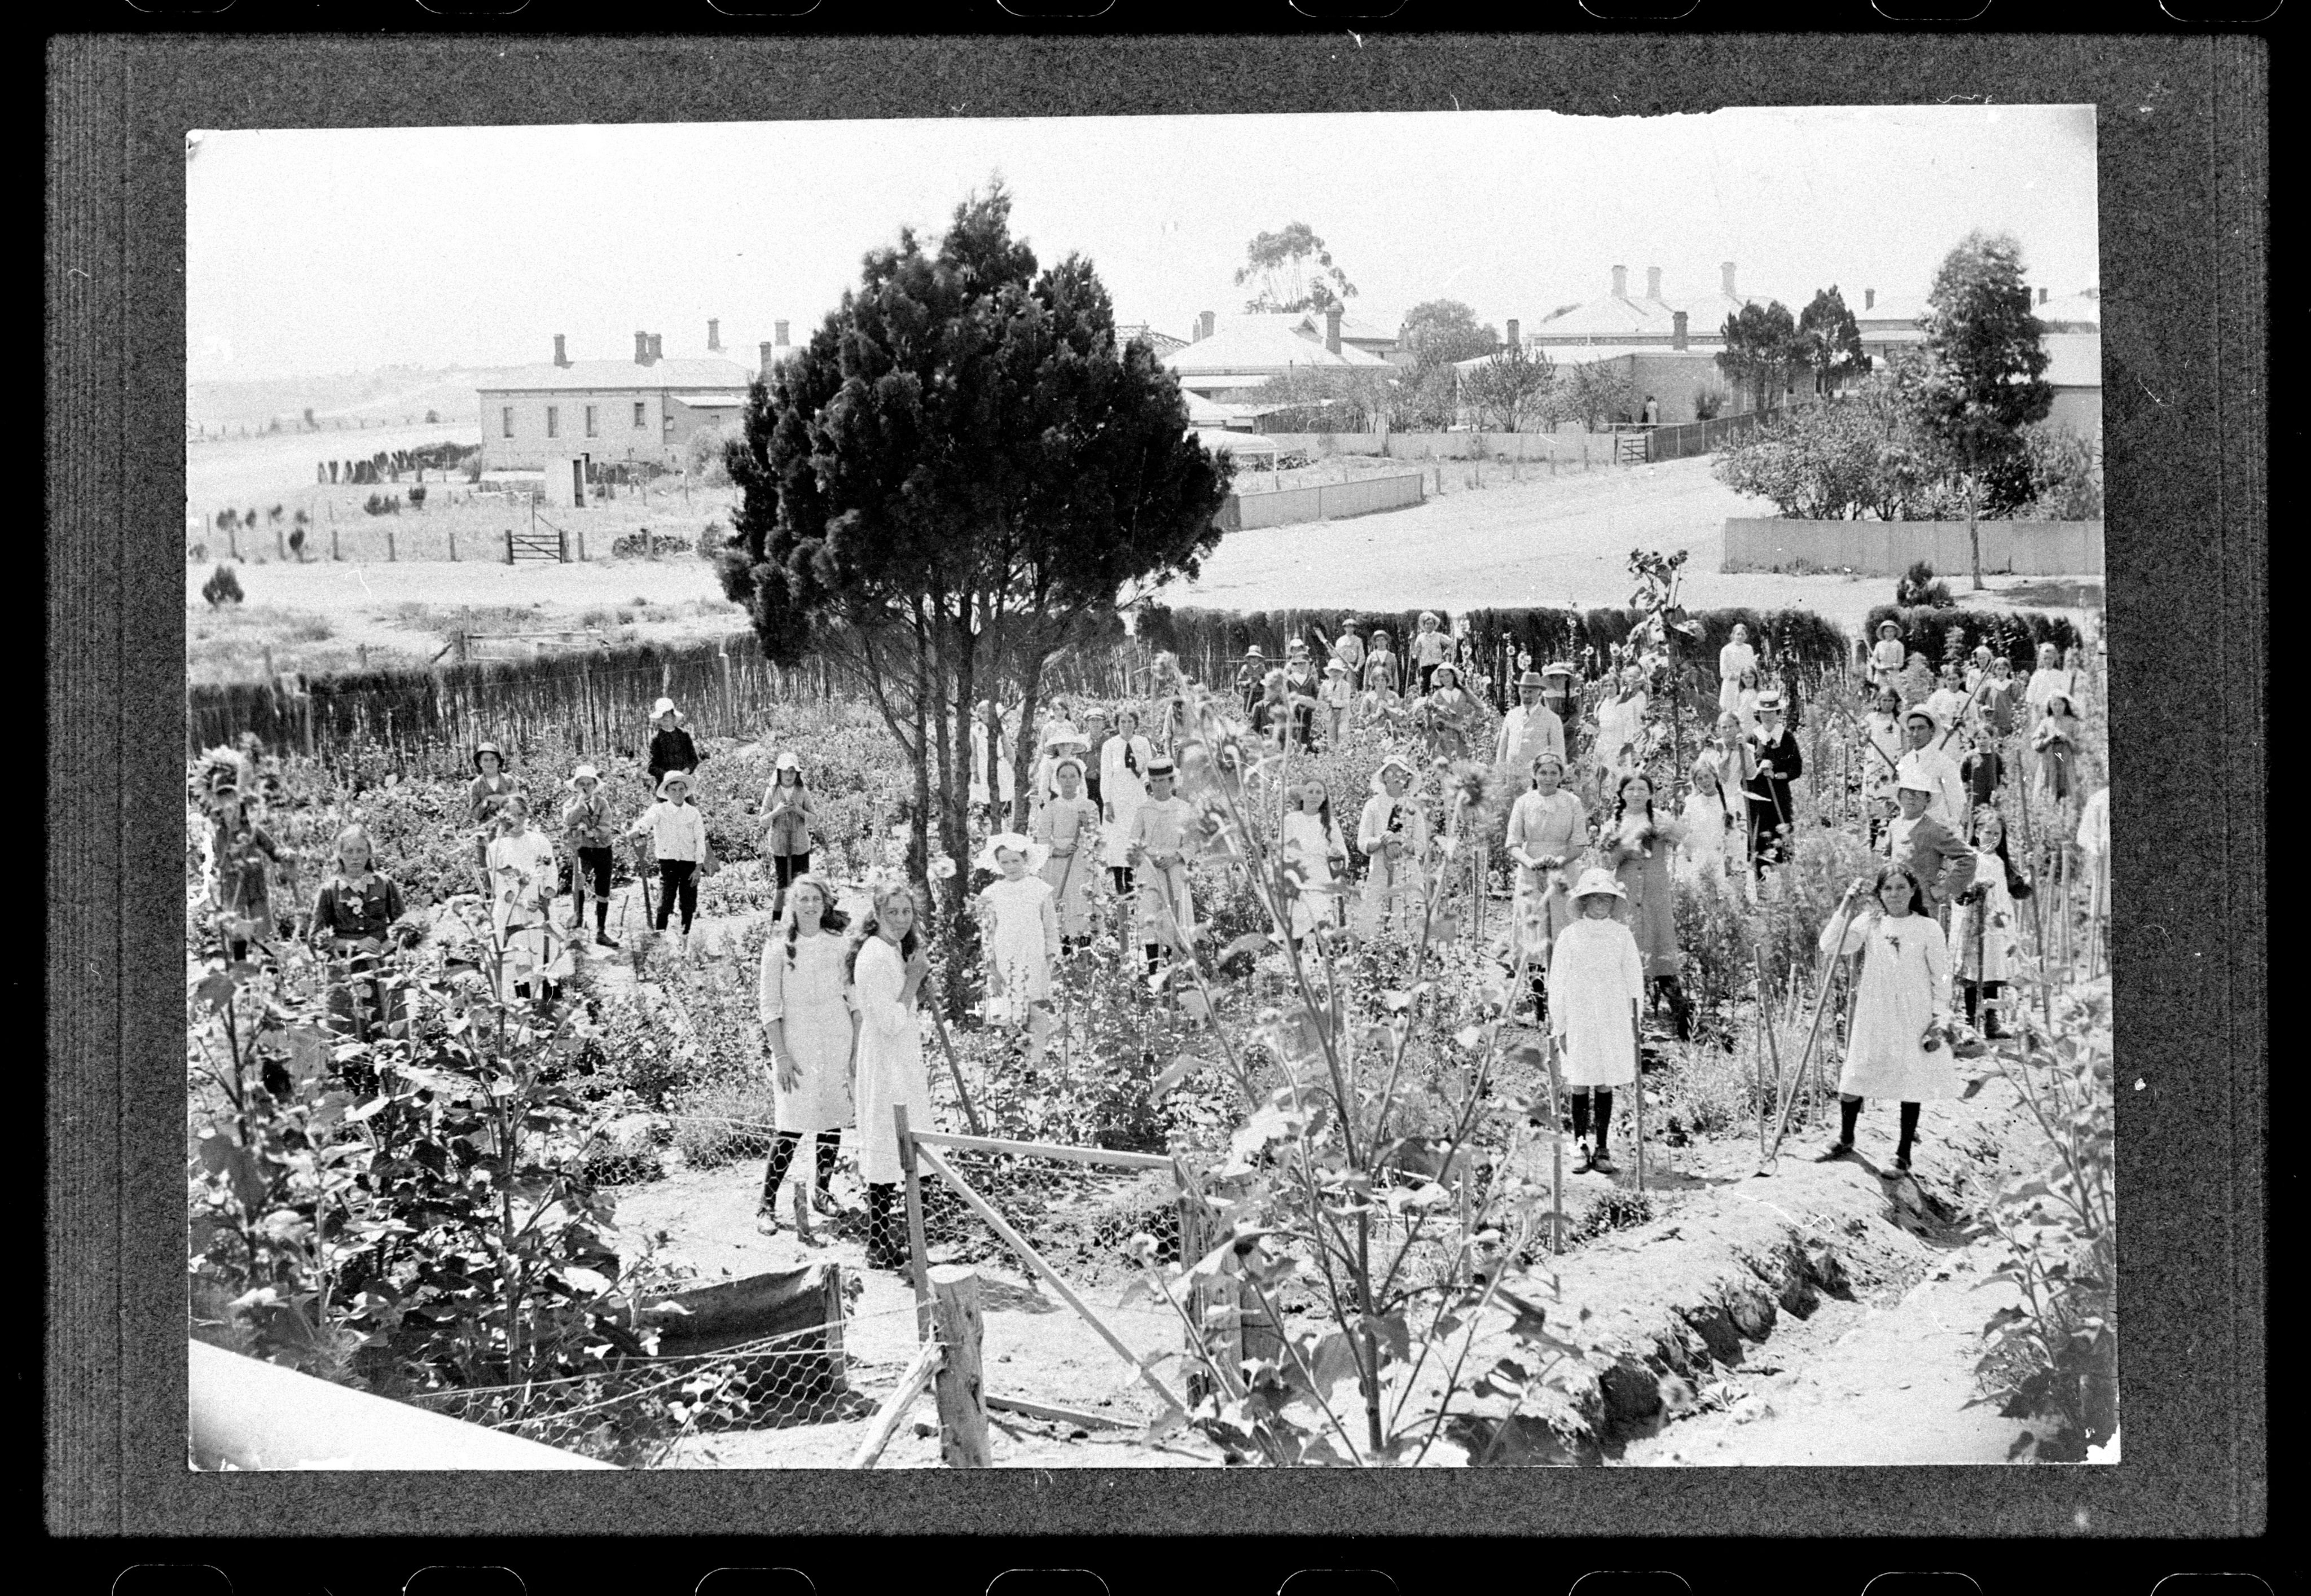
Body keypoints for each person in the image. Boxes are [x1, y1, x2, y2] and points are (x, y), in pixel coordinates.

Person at [1816, 864, 1955, 1173]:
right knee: (1856, 1072)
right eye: (1888, 888)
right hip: (1875, 1008)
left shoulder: (1928, 928)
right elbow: (1830, 946)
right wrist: (1846, 904)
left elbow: (1942, 977)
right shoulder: (1870, 922)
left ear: (1913, 890)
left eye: (1901, 887)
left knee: (1910, 1078)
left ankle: (1903, 1153)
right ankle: (1845, 1137)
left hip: (1914, 1011)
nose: (1895, 894)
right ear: (1879, 893)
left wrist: (1938, 1020)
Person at [755, 876, 857, 1233]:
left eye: (816, 899)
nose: (810, 906)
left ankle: (822, 1192)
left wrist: (855, 1049)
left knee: (831, 1116)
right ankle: (766, 1205)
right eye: (803, 899)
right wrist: (781, 1055)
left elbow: (853, 998)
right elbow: (770, 1007)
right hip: (796, 1042)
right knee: (791, 1123)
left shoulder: (839, 945)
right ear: (792, 905)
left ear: (825, 903)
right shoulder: (778, 949)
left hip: (835, 1036)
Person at [849, 874, 935, 1274]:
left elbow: (904, 1007)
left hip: (902, 1056)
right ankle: (878, 1243)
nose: (901, 919)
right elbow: (888, 1020)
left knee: (911, 1140)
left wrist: (914, 975)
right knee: (886, 1143)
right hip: (885, 1057)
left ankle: (912, 1240)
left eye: (907, 912)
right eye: (893, 912)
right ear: (877, 914)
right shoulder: (872, 955)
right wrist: (914, 980)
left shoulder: (895, 948)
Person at [1548, 869, 1646, 1176]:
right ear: (1584, 901)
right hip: (1580, 1016)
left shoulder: (1622, 935)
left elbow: (1634, 980)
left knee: (1604, 1080)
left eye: (1607, 898)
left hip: (1612, 1017)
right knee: (1580, 1080)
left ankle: (1602, 1146)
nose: (1601, 904)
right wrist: (1560, 1025)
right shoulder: (1570, 936)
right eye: (1595, 898)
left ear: (1614, 903)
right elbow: (1557, 983)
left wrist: (1635, 1022)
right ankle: (1580, 1144)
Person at [1601, 773, 1692, 1038]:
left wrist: (1670, 832)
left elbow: (1685, 840)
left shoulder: (1660, 818)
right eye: (1631, 789)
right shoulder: (1614, 823)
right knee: (1625, 950)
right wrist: (1626, 849)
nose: (1637, 794)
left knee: (1662, 948)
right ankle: (1624, 1022)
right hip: (1626, 891)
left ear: (1651, 793)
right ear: (1622, 794)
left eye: (1642, 789)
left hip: (1655, 891)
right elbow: (1607, 862)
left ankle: (1684, 1022)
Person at [309, 824, 416, 1042]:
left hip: (382, 965)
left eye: (361, 851)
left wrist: (386, 947)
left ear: (369, 853)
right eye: (349, 851)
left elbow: (405, 925)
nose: (355, 857)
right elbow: (316, 937)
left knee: (389, 1022)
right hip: (345, 969)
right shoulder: (329, 890)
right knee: (348, 1028)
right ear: (339, 855)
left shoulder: (384, 884)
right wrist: (355, 945)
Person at [1504, 751, 1588, 1017]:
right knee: (1533, 930)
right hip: (1531, 872)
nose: (1548, 778)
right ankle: (1536, 999)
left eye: (1554, 773)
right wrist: (1532, 863)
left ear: (1561, 775)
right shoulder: (1523, 802)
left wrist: (1559, 861)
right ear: (1535, 774)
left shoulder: (1572, 802)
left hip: (1563, 873)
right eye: (1543, 772)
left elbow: (1580, 843)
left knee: (1564, 928)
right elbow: (1513, 844)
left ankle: (1565, 997)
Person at [1952, 806, 2031, 1040]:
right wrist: (1972, 892)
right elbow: (1957, 892)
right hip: (1973, 922)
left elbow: (2019, 891)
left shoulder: (2000, 861)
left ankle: (1991, 1022)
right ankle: (1971, 1022)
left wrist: (2030, 874)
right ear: (1977, 833)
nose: (1992, 838)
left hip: (1997, 923)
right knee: (1973, 972)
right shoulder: (1968, 858)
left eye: (1997, 834)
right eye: (1988, 833)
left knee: (1993, 970)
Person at [485, 794, 565, 1006]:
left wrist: (548, 891)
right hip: (512, 909)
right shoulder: (496, 847)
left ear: (527, 815)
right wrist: (520, 902)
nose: (517, 820)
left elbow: (551, 871)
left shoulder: (540, 841)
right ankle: (524, 1004)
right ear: (502, 817)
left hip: (539, 906)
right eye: (511, 816)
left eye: (521, 815)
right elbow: (499, 886)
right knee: (520, 958)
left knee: (547, 952)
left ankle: (552, 1002)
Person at [1126, 754, 1200, 981]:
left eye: (1163, 781)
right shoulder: (1144, 809)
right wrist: (1146, 856)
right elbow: (1134, 840)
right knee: (1151, 915)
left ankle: (1175, 972)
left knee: (1174, 916)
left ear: (1172, 782)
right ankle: (1153, 973)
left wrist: (1177, 857)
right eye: (1154, 782)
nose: (1158, 786)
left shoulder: (1184, 808)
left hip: (1175, 868)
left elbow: (1192, 842)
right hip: (1150, 868)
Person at [626, 767, 708, 952]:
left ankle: (684, 940)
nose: (678, 793)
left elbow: (700, 840)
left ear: (686, 791)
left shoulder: (693, 813)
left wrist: (699, 867)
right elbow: (646, 822)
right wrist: (637, 830)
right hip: (668, 863)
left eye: (681, 790)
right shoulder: (659, 810)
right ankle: (660, 941)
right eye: (673, 790)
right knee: (665, 902)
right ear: (667, 792)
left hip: (689, 864)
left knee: (688, 903)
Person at [1031, 757, 1102, 953]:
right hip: (1059, 864)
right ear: (1057, 780)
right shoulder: (1051, 807)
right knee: (1062, 905)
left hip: (1082, 861)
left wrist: (1087, 825)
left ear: (1080, 779)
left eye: (1073, 776)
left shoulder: (1089, 805)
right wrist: (1059, 852)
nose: (1068, 781)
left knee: (1082, 903)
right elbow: (1042, 839)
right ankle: (1064, 953)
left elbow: (1099, 838)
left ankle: (1085, 953)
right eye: (1063, 777)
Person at [1356, 753, 1431, 939]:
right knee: (1376, 918)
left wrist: (1400, 840)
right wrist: (1385, 840)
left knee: (1408, 917)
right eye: (1390, 772)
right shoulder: (1373, 805)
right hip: (1380, 868)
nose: (1396, 777)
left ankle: (1407, 949)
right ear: (1383, 777)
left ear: (1408, 778)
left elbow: (1421, 846)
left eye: (1401, 773)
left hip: (1407, 870)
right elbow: (1363, 842)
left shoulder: (1414, 807)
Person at [209, 787, 283, 964]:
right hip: (234, 891)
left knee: (265, 930)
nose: (230, 810)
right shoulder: (220, 835)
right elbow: (220, 862)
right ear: (220, 811)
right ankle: (240, 969)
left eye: (233, 804)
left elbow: (272, 849)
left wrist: (284, 855)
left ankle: (273, 968)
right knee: (238, 930)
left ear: (240, 805)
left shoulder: (253, 829)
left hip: (256, 887)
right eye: (225, 807)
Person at [1884, 775, 1978, 913]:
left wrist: (1945, 888)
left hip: (1923, 902)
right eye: (1907, 792)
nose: (1912, 798)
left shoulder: (1934, 829)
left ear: (1927, 800)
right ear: (1899, 796)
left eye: (1918, 794)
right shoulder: (1894, 826)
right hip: (1895, 901)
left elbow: (1969, 857)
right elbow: (1886, 856)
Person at [1281, 776, 1350, 950]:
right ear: (1302, 795)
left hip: (1321, 879)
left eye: (1319, 792)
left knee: (1325, 929)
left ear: (1324, 798)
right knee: (1295, 929)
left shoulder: (1330, 823)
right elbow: (1281, 850)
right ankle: (1296, 963)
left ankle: (1328, 960)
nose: (1314, 795)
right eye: (1310, 791)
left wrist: (1335, 854)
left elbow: (1342, 853)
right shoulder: (1291, 820)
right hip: (1298, 878)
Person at [561, 762, 621, 949]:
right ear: (576, 786)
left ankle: (601, 932)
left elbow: (607, 825)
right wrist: (579, 807)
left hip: (603, 848)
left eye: (589, 784)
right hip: (583, 849)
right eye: (582, 784)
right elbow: (568, 820)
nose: (586, 787)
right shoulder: (571, 804)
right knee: (579, 879)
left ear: (595, 785)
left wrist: (592, 832)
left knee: (603, 887)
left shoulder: (602, 803)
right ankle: (578, 925)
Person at [1743, 692, 1803, 873]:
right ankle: (1761, 880)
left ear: (1778, 714)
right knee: (1760, 838)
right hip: (1758, 798)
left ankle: (1785, 878)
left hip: (1780, 796)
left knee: (1782, 836)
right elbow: (1745, 769)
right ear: (1758, 714)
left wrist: (1776, 775)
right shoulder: (1752, 738)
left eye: (1772, 712)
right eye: (1764, 712)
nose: (1768, 716)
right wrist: (1759, 769)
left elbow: (1796, 769)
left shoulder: (1787, 738)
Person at [1100, 708, 1154, 896]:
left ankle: (1131, 882)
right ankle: (1119, 883)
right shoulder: (1110, 745)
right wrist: (1107, 802)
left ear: (1136, 724)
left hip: (1137, 795)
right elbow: (1105, 775)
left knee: (1134, 835)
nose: (1126, 725)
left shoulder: (1143, 742)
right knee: (1117, 838)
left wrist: (1146, 781)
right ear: (1117, 724)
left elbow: (1149, 769)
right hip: (1117, 795)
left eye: (1130, 721)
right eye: (1122, 722)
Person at [759, 751, 817, 921]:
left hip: (800, 846)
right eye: (786, 772)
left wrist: (799, 810)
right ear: (779, 773)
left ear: (797, 774)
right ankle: (776, 923)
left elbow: (814, 819)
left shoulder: (802, 792)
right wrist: (777, 812)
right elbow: (763, 822)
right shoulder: (772, 792)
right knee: (782, 886)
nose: (789, 775)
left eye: (793, 772)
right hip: (780, 847)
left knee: (803, 886)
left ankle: (802, 921)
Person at [1895, 705, 1967, 827]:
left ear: (1932, 731)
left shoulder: (1945, 763)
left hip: (1936, 828)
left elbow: (1957, 802)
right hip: (1909, 828)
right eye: (1912, 729)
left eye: (1921, 728)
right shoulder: (1905, 762)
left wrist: (1951, 829)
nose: (1915, 734)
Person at [1494, 670, 1566, 790]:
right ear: (1519, 692)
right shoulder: (1512, 715)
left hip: (1537, 778)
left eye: (1531, 692)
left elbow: (1558, 753)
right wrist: (1500, 775)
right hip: (1512, 775)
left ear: (1539, 693)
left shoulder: (1552, 718)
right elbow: (1503, 748)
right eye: (1524, 692)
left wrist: (1554, 780)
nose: (1527, 696)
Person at [1860, 686, 1908, 846]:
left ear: (1896, 702)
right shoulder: (1871, 719)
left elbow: (1905, 745)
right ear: (1878, 701)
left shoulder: (1900, 720)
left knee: (1892, 798)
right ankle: (1872, 837)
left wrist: (1902, 765)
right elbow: (1862, 743)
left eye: (1891, 700)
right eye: (1884, 700)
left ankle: (1890, 840)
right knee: (1873, 798)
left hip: (1893, 764)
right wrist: (1864, 737)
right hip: (1875, 764)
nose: (1887, 704)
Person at [1676, 755, 1732, 887]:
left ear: (1715, 777)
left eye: (1707, 776)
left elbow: (1733, 832)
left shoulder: (1727, 802)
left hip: (1720, 855)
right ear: (1695, 783)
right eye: (1699, 779)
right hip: (1698, 855)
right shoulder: (1692, 803)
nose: (1704, 782)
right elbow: (1685, 830)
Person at [1593, 667, 1649, 785]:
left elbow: (1630, 726)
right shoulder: (1600, 704)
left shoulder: (1624, 703)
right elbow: (1599, 725)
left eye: (1612, 685)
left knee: (1619, 775)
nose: (1609, 689)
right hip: (1603, 742)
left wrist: (1626, 746)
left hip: (1619, 743)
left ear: (1618, 687)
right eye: (1606, 686)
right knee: (1602, 775)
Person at [1421, 660, 1478, 760]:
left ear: (1453, 675)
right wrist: (1453, 726)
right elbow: (1435, 719)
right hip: (1443, 737)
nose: (1445, 679)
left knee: (1461, 763)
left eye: (1447, 675)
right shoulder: (1437, 695)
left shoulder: (1464, 692)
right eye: (1442, 676)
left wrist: (1469, 722)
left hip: (1461, 736)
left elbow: (1480, 708)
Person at [2032, 691, 2082, 802]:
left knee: (2068, 795)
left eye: (2060, 704)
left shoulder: (2073, 723)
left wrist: (2067, 739)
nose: (2058, 708)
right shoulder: (2045, 723)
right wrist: (2049, 739)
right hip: (2049, 763)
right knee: (2048, 793)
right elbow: (2035, 744)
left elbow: (2080, 748)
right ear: (2050, 706)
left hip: (2066, 763)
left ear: (2065, 705)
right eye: (2055, 704)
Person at [644, 697, 702, 792]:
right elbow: (652, 766)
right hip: (665, 785)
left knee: (688, 801)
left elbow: (694, 759)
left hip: (683, 782)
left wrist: (685, 773)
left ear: (674, 716)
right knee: (664, 801)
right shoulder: (657, 738)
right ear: (658, 719)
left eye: (668, 714)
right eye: (662, 715)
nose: (665, 718)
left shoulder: (684, 735)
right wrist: (667, 776)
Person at [467, 741, 520, 828]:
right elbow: (475, 815)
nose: (489, 763)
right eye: (485, 760)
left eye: (493, 759)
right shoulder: (476, 784)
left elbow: (518, 806)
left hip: (509, 827)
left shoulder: (508, 780)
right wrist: (487, 801)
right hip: (486, 829)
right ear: (480, 763)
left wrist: (501, 801)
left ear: (498, 761)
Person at [2024, 641, 2075, 727]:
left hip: (2055, 711)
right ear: (2041, 659)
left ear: (2054, 659)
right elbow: (2030, 695)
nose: (2048, 661)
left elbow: (2065, 694)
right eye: (2045, 658)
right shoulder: (2037, 676)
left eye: (2051, 658)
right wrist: (2035, 707)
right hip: (2040, 711)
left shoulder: (2060, 675)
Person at [1282, 641, 1323, 750]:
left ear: (1309, 665)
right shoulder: (1290, 680)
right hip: (1294, 710)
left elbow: (1315, 694)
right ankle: (1294, 749)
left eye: (1304, 664)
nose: (1302, 667)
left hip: (1307, 710)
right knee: (1294, 729)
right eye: (1299, 664)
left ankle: (1304, 749)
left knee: (1306, 728)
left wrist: (1312, 705)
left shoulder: (1311, 679)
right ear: (1294, 665)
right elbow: (1286, 695)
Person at [1716, 623, 1758, 719]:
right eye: (1738, 634)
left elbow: (1752, 667)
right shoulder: (1726, 650)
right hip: (1731, 685)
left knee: (1746, 712)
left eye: (1742, 634)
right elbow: (1723, 672)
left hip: (1746, 684)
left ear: (1746, 636)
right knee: (1731, 713)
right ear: (1733, 635)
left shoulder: (1749, 648)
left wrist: (1752, 681)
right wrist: (1738, 677)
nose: (1740, 637)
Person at [1409, 611, 1451, 695]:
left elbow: (1451, 643)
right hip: (1425, 666)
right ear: (1424, 625)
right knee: (1425, 687)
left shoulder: (1439, 636)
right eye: (1427, 624)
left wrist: (1447, 651)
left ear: (1434, 625)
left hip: (1437, 665)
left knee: (1439, 687)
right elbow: (1416, 652)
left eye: (1431, 623)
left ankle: (1440, 702)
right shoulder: (1420, 637)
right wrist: (1412, 641)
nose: (1429, 626)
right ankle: (1424, 702)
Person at [1249, 669, 1292, 748]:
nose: (1267, 691)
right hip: (1265, 747)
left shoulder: (1286, 707)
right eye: (1267, 688)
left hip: (1283, 748)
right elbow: (1253, 731)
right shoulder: (1259, 706)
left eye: (1272, 689)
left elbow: (1293, 731)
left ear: (1280, 691)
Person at [1079, 706, 1111, 810]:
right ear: (1087, 723)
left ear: (1104, 723)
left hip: (1105, 782)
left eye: (1099, 721)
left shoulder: (1110, 741)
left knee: (1105, 811)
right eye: (1092, 721)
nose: (1096, 724)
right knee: (1087, 811)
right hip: (1087, 782)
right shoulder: (1081, 741)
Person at [1319, 659, 1355, 748]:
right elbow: (1320, 700)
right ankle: (1333, 755)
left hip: (1343, 714)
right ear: (1329, 672)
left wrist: (1332, 701)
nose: (1335, 673)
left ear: (1342, 673)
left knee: (1342, 734)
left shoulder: (1346, 685)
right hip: (1329, 715)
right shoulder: (1325, 685)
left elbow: (1345, 702)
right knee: (1331, 738)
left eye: (1338, 671)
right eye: (1332, 671)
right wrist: (1327, 705)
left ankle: (1343, 754)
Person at [1362, 629, 1401, 699]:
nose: (1381, 642)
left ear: (1386, 641)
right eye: (1378, 640)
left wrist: (1396, 689)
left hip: (1388, 687)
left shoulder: (1392, 657)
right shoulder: (1371, 657)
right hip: (1374, 687)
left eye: (1383, 639)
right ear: (1375, 643)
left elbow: (1395, 674)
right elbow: (1367, 674)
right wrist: (1366, 689)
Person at [1868, 619, 1907, 689]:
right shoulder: (1879, 645)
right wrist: (1879, 667)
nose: (1889, 634)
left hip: (1893, 675)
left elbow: (1900, 663)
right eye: (1887, 631)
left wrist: (1888, 668)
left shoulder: (1899, 645)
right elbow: (1874, 659)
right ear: (1883, 633)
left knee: (1892, 692)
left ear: (1895, 632)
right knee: (1879, 692)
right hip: (1880, 674)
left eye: (1891, 631)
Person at [1235, 645, 1268, 714]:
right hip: (1248, 694)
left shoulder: (1262, 669)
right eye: (1252, 657)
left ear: (1259, 659)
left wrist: (1260, 681)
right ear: (1249, 659)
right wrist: (1248, 682)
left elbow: (1267, 682)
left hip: (1260, 694)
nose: (1254, 660)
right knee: (1247, 712)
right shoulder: (1245, 668)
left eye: (1256, 657)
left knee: (1260, 712)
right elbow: (1238, 682)